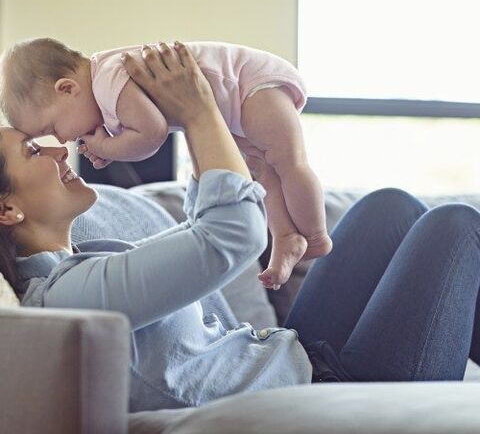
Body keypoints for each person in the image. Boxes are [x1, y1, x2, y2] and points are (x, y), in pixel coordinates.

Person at [0, 44, 478, 414]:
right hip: (318, 397)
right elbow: (231, 235)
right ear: (7, 210)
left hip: (296, 358)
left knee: (387, 209)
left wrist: (185, 120)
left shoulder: (88, 264)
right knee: (457, 227)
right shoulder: (68, 300)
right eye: (35, 151)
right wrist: (200, 111)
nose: (63, 150)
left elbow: (198, 229)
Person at [0, 38, 332, 289]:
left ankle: (316, 235)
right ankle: (287, 236)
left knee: (289, 163)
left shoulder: (110, 80)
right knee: (267, 173)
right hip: (235, 105)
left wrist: (109, 148)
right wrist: (110, 143)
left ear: (67, 88)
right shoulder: (105, 96)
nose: (60, 144)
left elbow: (152, 134)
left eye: (51, 130)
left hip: (252, 85)